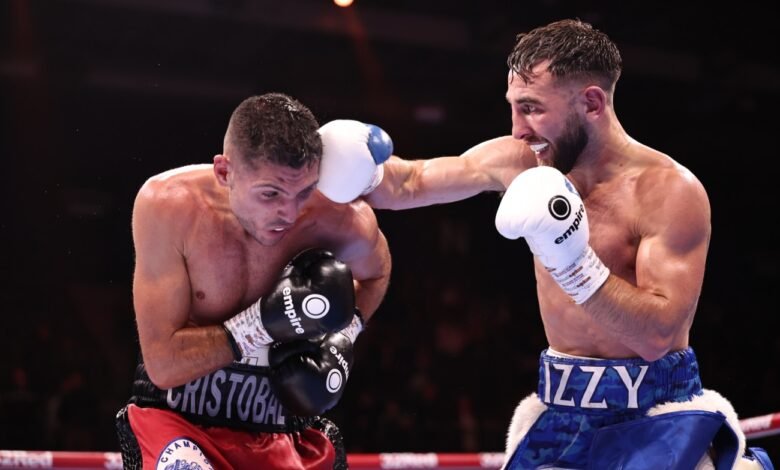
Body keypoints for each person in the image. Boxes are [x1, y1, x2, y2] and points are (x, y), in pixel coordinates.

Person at [316, 19, 773, 470]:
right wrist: (353, 166)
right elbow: (412, 180)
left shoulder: (668, 191)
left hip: (657, 417)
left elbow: (656, 336)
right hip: (562, 414)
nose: (518, 129)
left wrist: (573, 262)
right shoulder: (523, 161)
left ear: (591, 102)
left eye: (531, 108)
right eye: (514, 107)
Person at [116, 92, 392, 470]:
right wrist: (262, 323)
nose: (289, 213)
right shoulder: (170, 206)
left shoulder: (336, 217)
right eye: (270, 193)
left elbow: (376, 272)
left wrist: (343, 335)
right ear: (225, 172)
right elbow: (163, 365)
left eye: (304, 192)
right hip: (178, 419)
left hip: (279, 423)